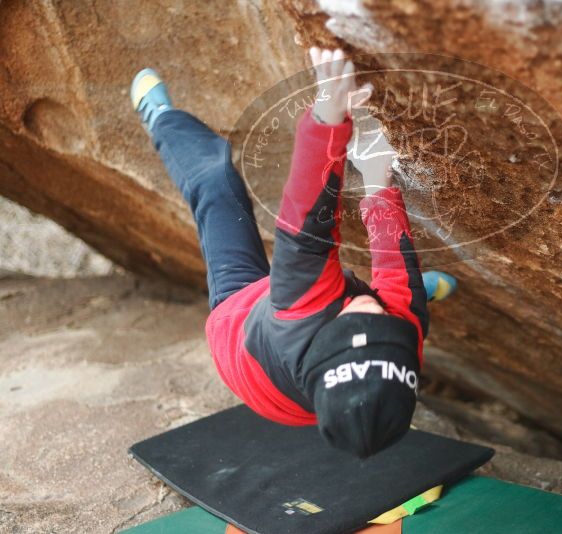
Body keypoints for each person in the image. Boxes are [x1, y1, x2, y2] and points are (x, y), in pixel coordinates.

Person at [130, 47, 457, 458]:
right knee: (402, 293)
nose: (369, 308)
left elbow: (308, 223)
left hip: (241, 323)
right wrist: (376, 172)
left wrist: (329, 117)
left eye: (353, 319)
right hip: (316, 365)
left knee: (216, 183)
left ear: (325, 336)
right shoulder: (402, 333)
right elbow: (390, 273)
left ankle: (162, 121)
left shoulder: (298, 315)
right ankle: (418, 292)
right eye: (385, 324)